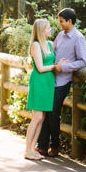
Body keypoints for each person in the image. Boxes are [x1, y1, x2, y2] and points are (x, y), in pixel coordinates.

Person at [36, 8, 86, 157]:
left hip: (63, 81)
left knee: (53, 112)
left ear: (69, 21)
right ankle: (42, 146)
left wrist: (64, 66)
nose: (59, 23)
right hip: (50, 79)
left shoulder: (78, 38)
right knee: (45, 110)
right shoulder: (60, 35)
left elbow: (84, 61)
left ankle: (55, 146)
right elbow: (52, 53)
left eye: (61, 21)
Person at [24, 19, 56, 160]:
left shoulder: (50, 44)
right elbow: (41, 68)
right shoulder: (36, 45)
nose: (50, 30)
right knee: (36, 117)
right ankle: (27, 150)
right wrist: (55, 66)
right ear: (42, 30)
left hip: (48, 84)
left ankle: (32, 149)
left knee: (41, 118)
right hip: (39, 82)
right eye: (48, 28)